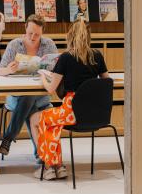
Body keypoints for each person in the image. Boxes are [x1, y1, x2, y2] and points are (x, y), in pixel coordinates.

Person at [29, 19, 109, 180]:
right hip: (94, 113)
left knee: (36, 119)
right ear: (88, 36)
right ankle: (58, 166)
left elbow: (51, 88)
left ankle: (48, 166)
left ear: (70, 36)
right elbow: (107, 81)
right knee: (52, 123)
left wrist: (43, 76)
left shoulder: (66, 57)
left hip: (71, 112)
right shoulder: (97, 55)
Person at [0, 15, 58, 160]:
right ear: (25, 28)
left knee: (29, 100)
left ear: (42, 32)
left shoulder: (49, 45)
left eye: (37, 34)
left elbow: (57, 69)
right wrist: (9, 70)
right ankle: (41, 153)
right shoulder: (14, 45)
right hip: (16, 97)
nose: (32, 37)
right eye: (30, 33)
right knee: (28, 99)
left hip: (41, 96)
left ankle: (8, 138)